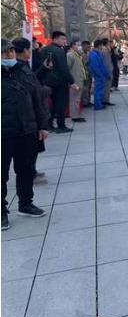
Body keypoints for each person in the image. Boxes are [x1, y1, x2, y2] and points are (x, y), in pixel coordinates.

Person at [2, 39, 48, 230]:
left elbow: (37, 99)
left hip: (27, 129)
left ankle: (25, 203)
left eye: (11, 52)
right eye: (4, 53)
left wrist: (42, 126)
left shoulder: (23, 71)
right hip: (4, 132)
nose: (9, 55)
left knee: (26, 169)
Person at [12, 37, 50, 185]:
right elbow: (31, 90)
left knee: (33, 148)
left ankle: (32, 171)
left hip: (33, 114)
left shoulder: (24, 66)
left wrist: (45, 69)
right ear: (26, 50)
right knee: (27, 151)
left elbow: (34, 82)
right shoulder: (18, 69)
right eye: (31, 47)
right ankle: (29, 175)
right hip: (27, 117)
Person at [40, 31, 74, 133]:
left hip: (48, 81)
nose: (64, 41)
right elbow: (64, 69)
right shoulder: (59, 51)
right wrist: (71, 81)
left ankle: (50, 124)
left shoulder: (44, 49)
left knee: (52, 104)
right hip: (60, 82)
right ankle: (61, 125)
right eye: (62, 39)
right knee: (61, 104)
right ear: (55, 39)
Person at [67, 40, 87, 122]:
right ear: (72, 46)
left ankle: (77, 114)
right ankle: (74, 116)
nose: (80, 47)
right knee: (74, 99)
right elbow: (67, 69)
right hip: (74, 81)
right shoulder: (70, 55)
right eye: (77, 45)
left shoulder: (77, 55)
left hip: (79, 79)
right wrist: (71, 82)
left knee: (77, 99)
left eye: (80, 45)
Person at [88, 40, 110, 111]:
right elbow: (95, 67)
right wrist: (100, 75)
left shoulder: (98, 53)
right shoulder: (94, 54)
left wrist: (106, 74)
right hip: (98, 76)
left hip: (101, 75)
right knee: (98, 90)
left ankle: (99, 103)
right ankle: (98, 105)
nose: (102, 47)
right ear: (99, 45)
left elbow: (102, 65)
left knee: (100, 90)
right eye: (101, 45)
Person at [100, 38, 114, 105]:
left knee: (108, 87)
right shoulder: (104, 50)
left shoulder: (107, 50)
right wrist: (107, 72)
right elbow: (105, 63)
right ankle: (105, 101)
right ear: (107, 43)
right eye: (109, 42)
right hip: (107, 71)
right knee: (106, 86)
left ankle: (106, 100)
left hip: (108, 70)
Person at [81, 41, 93, 107]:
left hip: (89, 72)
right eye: (87, 47)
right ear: (83, 46)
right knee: (85, 88)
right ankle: (85, 102)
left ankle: (88, 101)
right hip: (84, 73)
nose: (88, 48)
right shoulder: (80, 54)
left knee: (89, 87)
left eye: (89, 47)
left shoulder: (89, 53)